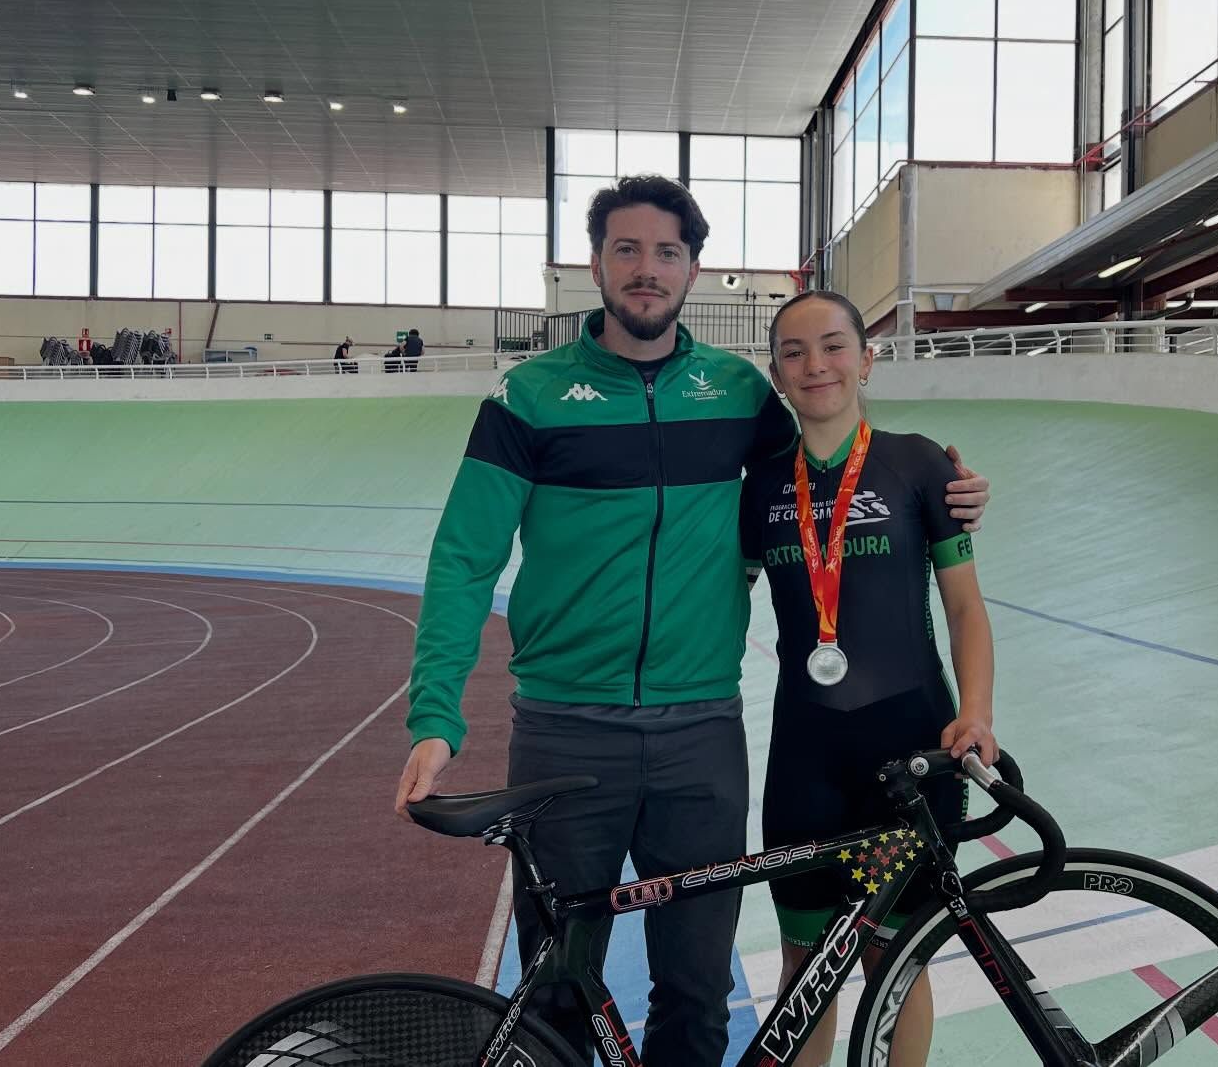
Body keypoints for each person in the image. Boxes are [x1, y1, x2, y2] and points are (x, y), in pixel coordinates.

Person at [394, 175, 992, 1066]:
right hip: (566, 730)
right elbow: (462, 560)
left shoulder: (738, 395)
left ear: (693, 269)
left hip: (701, 735)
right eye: (626, 250)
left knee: (696, 994)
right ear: (596, 263)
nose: (646, 269)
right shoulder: (528, 399)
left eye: (666, 252)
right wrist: (436, 715)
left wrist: (947, 490)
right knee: (560, 987)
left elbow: (831, 472)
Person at [741, 291, 996, 1066]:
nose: (815, 364)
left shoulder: (919, 464)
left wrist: (977, 712)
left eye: (832, 345)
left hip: (909, 755)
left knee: (896, 961)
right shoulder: (758, 487)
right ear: (777, 373)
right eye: (793, 351)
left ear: (866, 356)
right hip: (805, 761)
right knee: (806, 966)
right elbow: (723, 601)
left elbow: (964, 608)